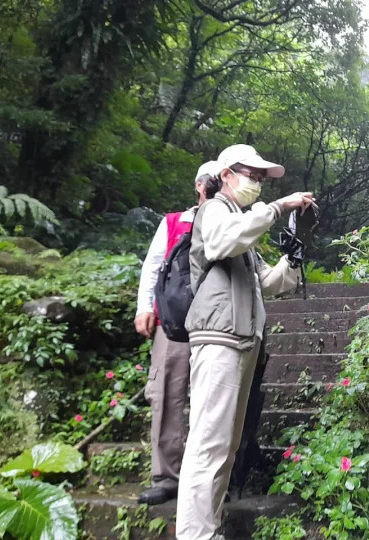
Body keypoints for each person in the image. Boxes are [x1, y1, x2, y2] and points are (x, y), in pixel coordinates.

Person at [176, 144, 314, 539]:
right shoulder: (215, 210)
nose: (256, 182)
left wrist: (295, 254)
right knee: (208, 445)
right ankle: (195, 535)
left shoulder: (241, 224)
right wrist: (276, 208)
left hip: (240, 340)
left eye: (259, 177)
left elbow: (268, 283)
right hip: (218, 337)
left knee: (224, 447)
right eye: (250, 174)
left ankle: (207, 528)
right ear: (227, 174)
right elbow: (220, 243)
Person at [134, 161, 222, 506]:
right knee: (167, 394)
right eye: (207, 181)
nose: (211, 186)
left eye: (217, 180)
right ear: (198, 185)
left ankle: (208, 477)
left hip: (216, 322)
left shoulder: (232, 222)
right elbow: (154, 264)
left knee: (213, 398)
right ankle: (167, 476)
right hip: (173, 322)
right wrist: (145, 307)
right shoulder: (174, 221)